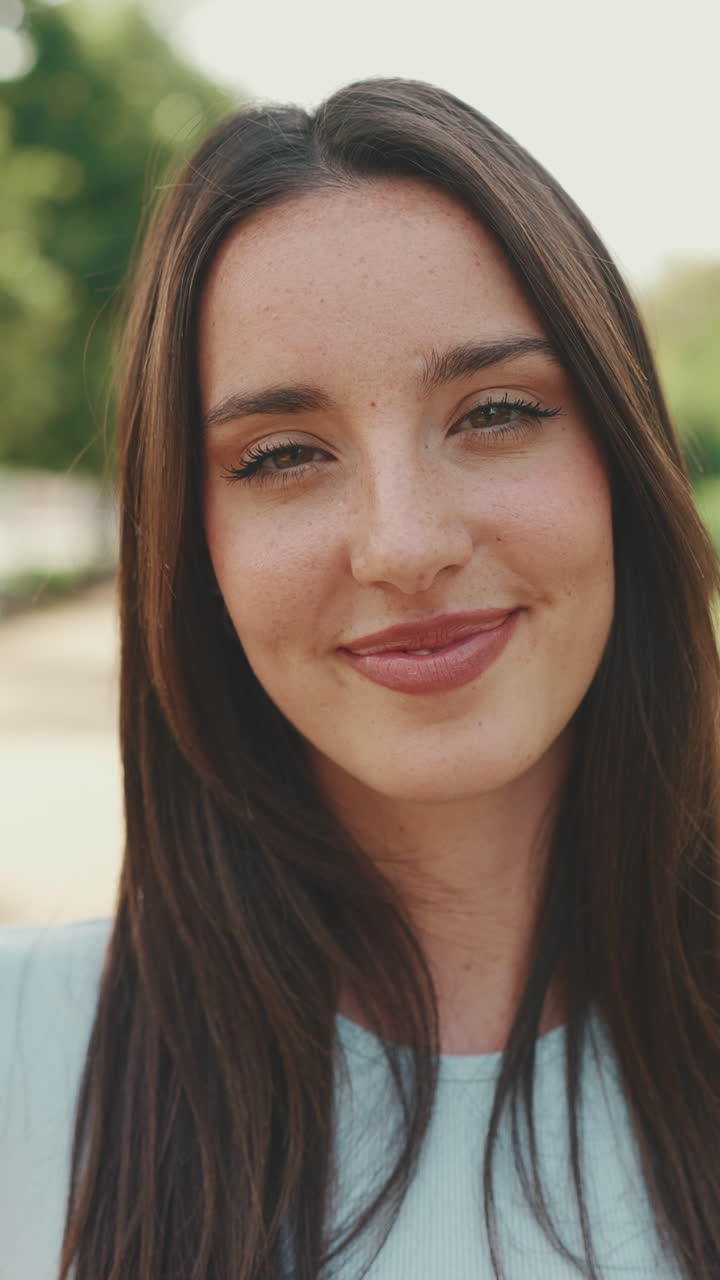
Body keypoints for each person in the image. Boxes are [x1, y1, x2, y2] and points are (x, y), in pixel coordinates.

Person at [2, 76, 719, 1280]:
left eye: (495, 411)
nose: (403, 544)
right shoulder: (26, 1052)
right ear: (193, 549)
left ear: (622, 459)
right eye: (283, 454)